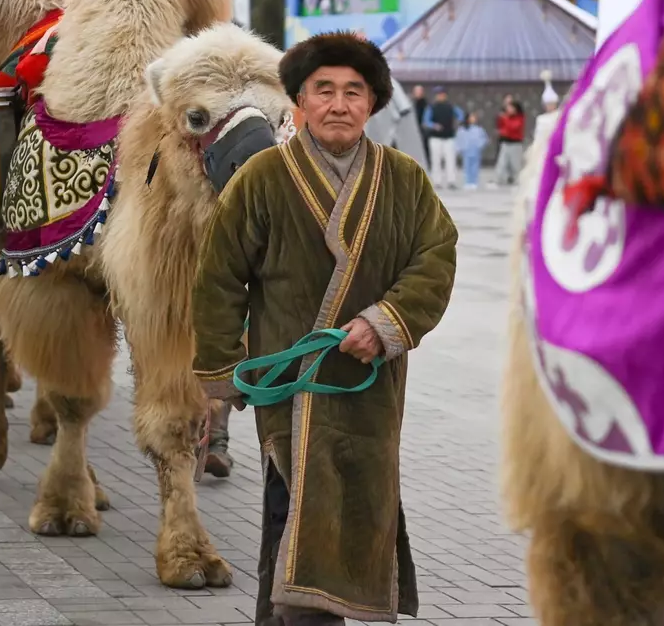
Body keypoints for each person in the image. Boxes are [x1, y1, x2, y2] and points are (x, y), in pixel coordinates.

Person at [192, 31, 458, 626]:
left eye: (353, 92)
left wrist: (385, 323)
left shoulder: (405, 179)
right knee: (290, 507)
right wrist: (220, 369)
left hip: (370, 386)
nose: (339, 105)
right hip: (290, 385)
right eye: (324, 90)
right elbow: (218, 277)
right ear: (300, 102)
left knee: (355, 508)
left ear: (372, 103)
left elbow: (436, 259)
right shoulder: (262, 177)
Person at [422, 87, 458, 188]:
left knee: (450, 160)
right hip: (435, 137)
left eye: (442, 94)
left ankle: (451, 181)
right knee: (436, 160)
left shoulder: (451, 107)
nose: (441, 96)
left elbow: (460, 115)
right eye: (439, 94)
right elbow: (426, 121)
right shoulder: (431, 107)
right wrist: (434, 125)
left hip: (449, 137)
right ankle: (437, 181)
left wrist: (457, 124)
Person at [494, 96, 525, 187]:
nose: (508, 109)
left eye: (510, 107)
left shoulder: (519, 117)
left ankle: (517, 180)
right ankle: (498, 179)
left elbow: (513, 127)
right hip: (505, 143)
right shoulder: (504, 116)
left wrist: (505, 118)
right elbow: (501, 127)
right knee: (501, 162)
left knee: (516, 164)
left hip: (515, 144)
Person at [454, 112, 488, 190]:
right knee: (467, 167)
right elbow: (458, 139)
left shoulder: (479, 129)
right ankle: (468, 182)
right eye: (471, 117)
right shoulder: (462, 129)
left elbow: (484, 139)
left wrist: (479, 145)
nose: (473, 119)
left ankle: (474, 182)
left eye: (474, 117)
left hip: (475, 151)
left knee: (475, 167)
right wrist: (459, 148)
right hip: (466, 151)